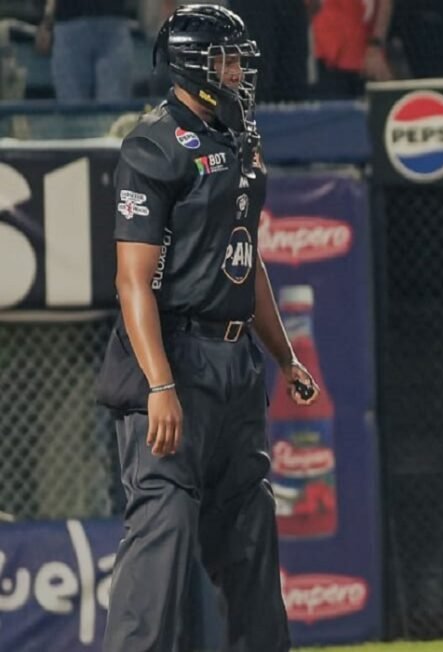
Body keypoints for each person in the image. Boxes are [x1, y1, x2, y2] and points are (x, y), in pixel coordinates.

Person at [95, 6, 322, 651]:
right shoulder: (153, 145)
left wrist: (284, 357)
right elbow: (132, 281)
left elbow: (246, 260)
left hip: (234, 359)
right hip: (175, 356)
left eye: (239, 60)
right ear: (192, 65)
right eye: (225, 60)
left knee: (250, 529)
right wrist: (159, 384)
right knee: (162, 531)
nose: (237, 71)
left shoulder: (240, 140)